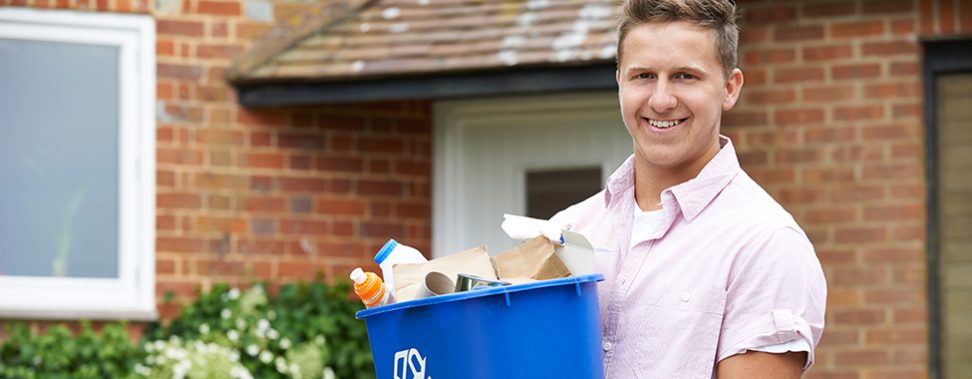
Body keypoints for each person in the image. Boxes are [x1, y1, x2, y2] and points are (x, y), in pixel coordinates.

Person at [549, 0, 827, 377]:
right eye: (644, 75)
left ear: (729, 88)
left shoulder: (766, 245)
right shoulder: (568, 230)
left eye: (684, 76)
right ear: (620, 83)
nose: (661, 100)